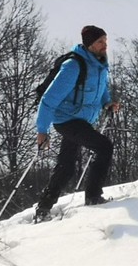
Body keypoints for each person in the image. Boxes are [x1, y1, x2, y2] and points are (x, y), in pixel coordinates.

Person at [34, 25, 120, 222]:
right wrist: (42, 131)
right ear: (89, 44)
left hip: (81, 120)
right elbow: (49, 99)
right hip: (67, 120)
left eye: (105, 41)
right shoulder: (73, 66)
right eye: (100, 42)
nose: (105, 46)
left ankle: (42, 209)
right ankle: (93, 197)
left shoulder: (99, 64)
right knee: (104, 147)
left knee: (66, 167)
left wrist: (107, 103)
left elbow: (101, 88)